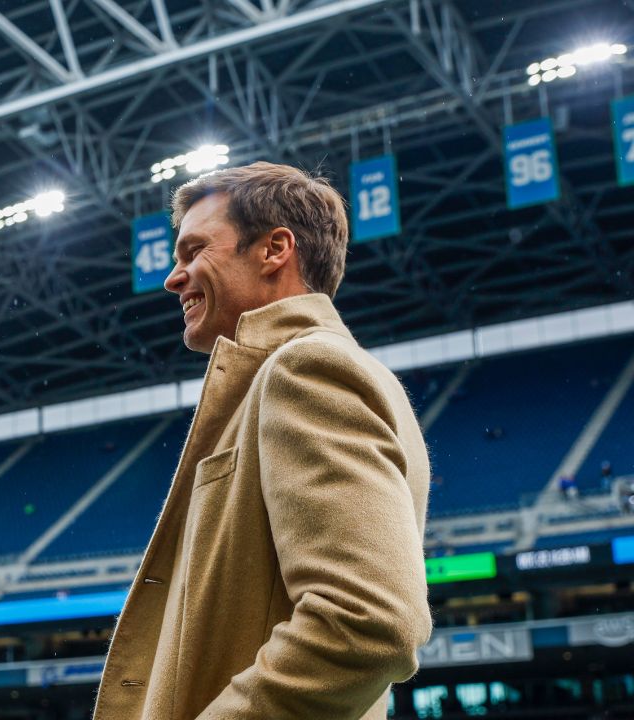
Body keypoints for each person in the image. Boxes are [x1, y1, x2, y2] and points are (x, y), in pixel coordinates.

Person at [94, 163, 431, 720]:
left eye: (194, 251)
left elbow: (367, 622)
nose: (173, 278)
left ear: (275, 250)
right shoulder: (323, 369)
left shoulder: (306, 367)